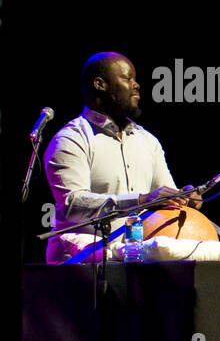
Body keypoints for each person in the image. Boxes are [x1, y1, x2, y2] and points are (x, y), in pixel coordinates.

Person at [44, 52, 199, 263]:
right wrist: (142, 200)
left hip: (134, 260)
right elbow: (73, 205)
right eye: (128, 79)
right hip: (80, 265)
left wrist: (183, 198)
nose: (136, 86)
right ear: (100, 84)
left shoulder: (147, 141)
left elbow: (163, 201)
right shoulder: (71, 139)